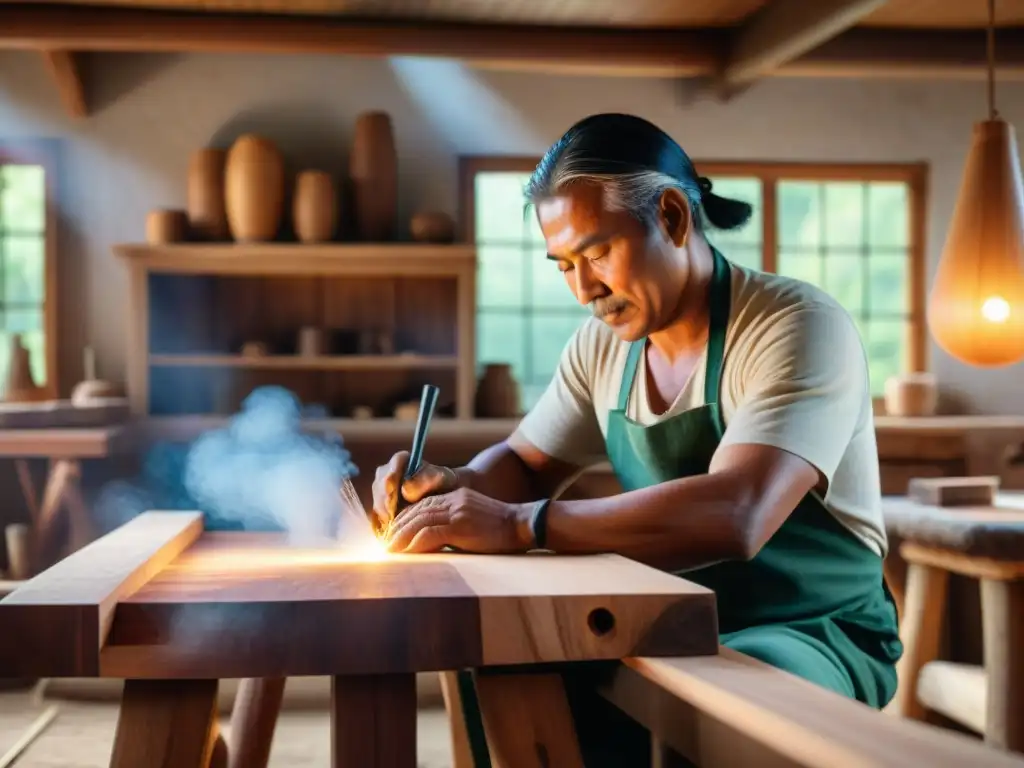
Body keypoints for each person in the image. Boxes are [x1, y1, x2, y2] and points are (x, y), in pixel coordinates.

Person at [370, 113, 902, 765]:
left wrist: (519, 525)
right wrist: (446, 489)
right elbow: (523, 463)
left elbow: (740, 512)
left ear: (673, 217)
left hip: (809, 630)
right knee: (507, 674)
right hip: (658, 615)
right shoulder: (603, 347)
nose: (584, 289)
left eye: (596, 253)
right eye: (564, 265)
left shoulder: (794, 325)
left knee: (722, 708)